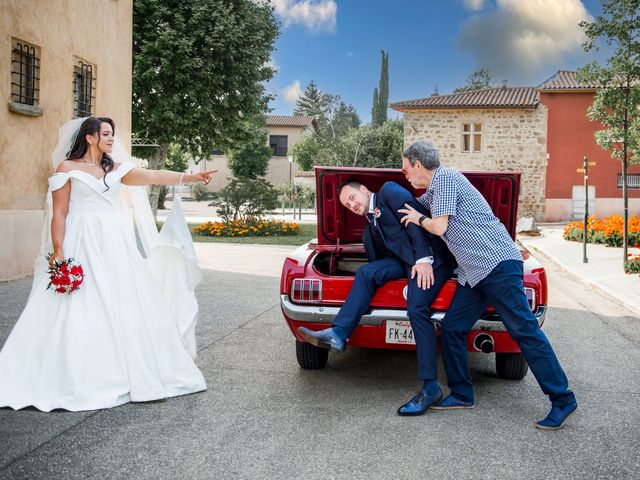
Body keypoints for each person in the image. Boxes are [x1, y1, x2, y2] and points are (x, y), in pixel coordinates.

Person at [0, 117, 215, 412]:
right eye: (106, 134)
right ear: (89, 137)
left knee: (125, 301)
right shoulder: (67, 169)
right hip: (81, 240)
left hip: (114, 243)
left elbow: (152, 176)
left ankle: (131, 370)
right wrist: (59, 249)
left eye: (112, 134)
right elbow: (60, 213)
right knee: (76, 304)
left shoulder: (115, 170)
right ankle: (69, 373)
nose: (112, 139)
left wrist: (190, 178)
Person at [397, 139, 577, 430]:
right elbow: (411, 206)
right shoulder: (434, 189)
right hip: (474, 273)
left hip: (497, 265)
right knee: (453, 327)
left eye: (406, 170)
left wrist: (418, 219)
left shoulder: (446, 179)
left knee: (524, 330)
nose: (404, 175)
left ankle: (562, 398)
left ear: (419, 165)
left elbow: (438, 226)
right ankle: (461, 393)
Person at [298, 180, 454, 415]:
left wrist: (423, 260)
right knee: (366, 273)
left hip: (432, 258)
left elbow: (414, 220)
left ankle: (431, 387)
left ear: (364, 189)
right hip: (404, 261)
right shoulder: (370, 227)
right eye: (347, 205)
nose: (351, 205)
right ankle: (338, 334)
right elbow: (384, 254)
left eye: (352, 198)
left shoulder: (388, 191)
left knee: (416, 308)